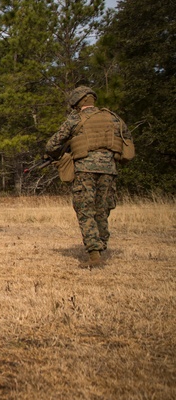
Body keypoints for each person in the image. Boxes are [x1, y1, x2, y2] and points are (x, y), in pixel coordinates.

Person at [45, 86, 134, 268]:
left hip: (85, 168)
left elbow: (52, 144)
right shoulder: (113, 118)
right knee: (102, 209)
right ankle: (101, 245)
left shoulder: (75, 119)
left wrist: (60, 152)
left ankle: (94, 254)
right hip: (109, 169)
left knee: (85, 210)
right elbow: (127, 140)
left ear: (77, 103)